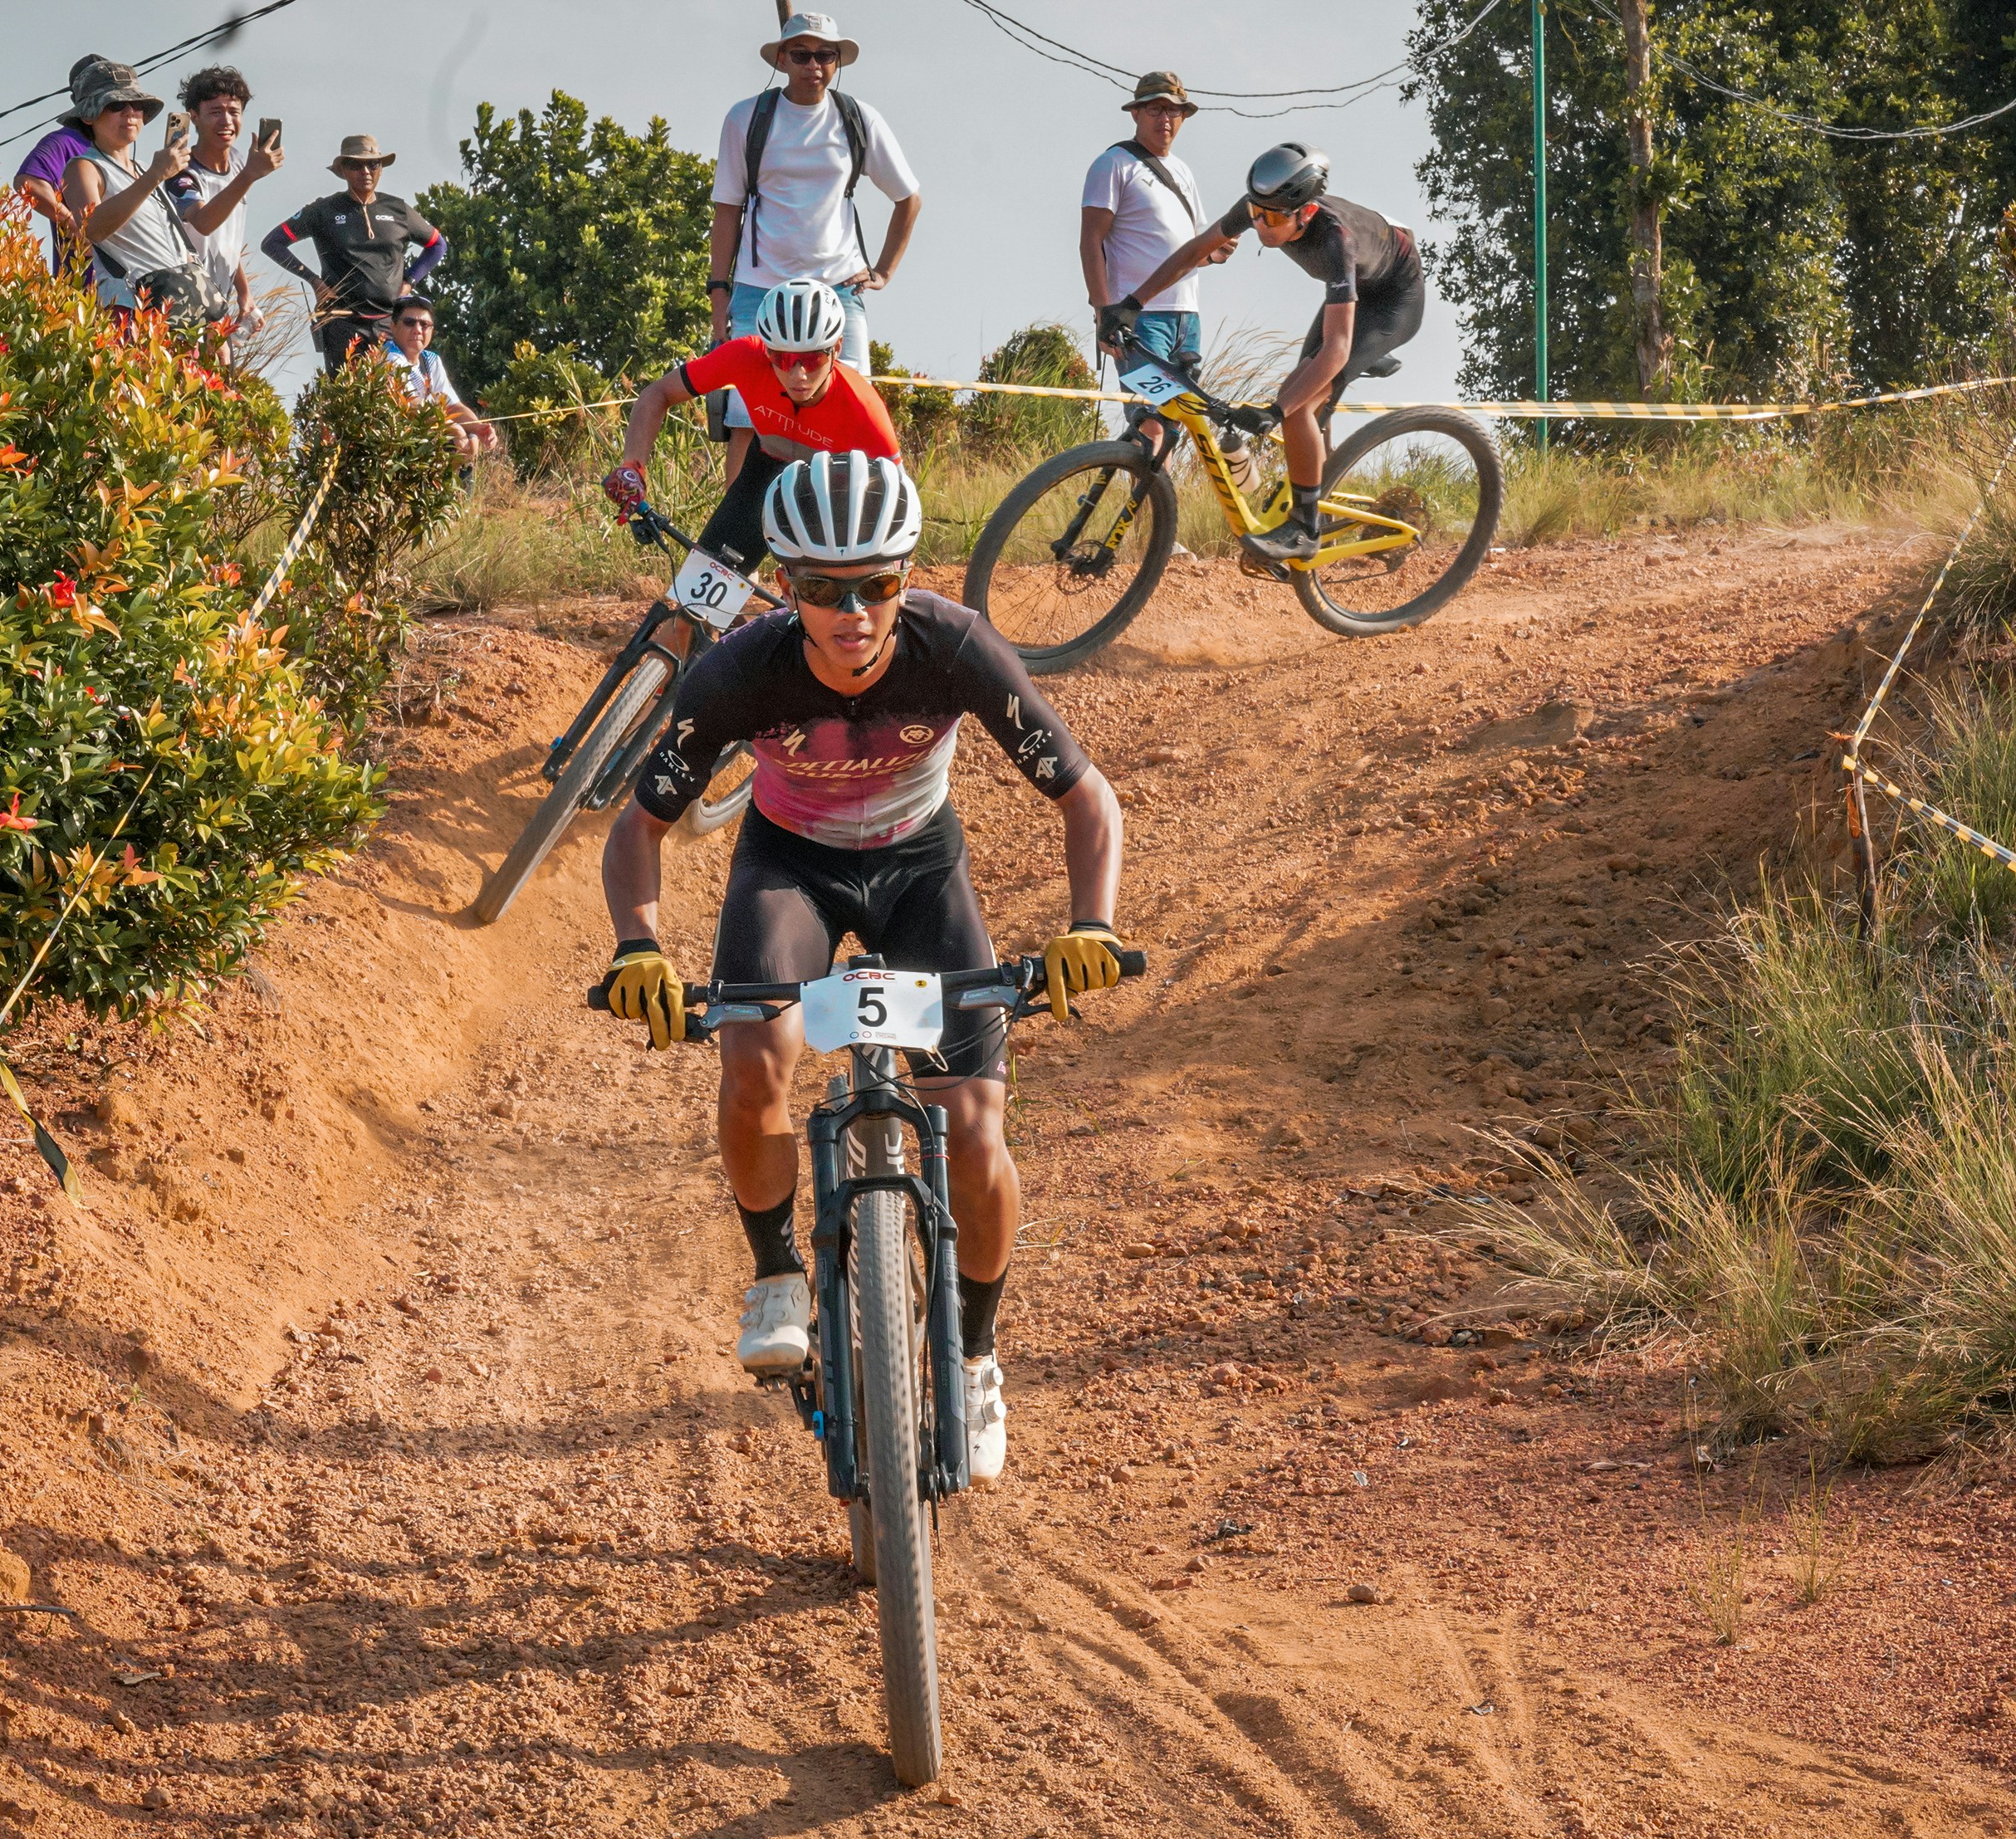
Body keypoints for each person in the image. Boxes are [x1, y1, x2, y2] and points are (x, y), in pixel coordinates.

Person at [598, 452, 1128, 1485]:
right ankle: (776, 1276)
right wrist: (637, 947)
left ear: (908, 576)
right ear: (783, 585)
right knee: (753, 1065)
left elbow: (1086, 797)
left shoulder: (956, 645)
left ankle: (973, 1357)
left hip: (922, 869)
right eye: (818, 589)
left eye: (877, 584)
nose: (851, 612)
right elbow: (640, 825)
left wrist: (1091, 926)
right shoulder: (740, 670)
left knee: (974, 1137)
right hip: (789, 866)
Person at [1105, 143, 1426, 564]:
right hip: (1353, 291)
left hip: (1389, 301)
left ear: (1306, 213)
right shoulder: (1261, 206)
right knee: (1304, 397)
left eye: (1273, 219)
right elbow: (1193, 252)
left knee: (1296, 405)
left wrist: (1275, 412)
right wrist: (1133, 303)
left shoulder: (1336, 242)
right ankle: (1315, 495)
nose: (1260, 226)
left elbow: (1337, 348)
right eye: (1255, 214)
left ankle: (1306, 530)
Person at [709, 13, 919, 465]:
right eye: (801, 55)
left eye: (825, 55)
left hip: (838, 288)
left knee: (852, 418)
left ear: (837, 61)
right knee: (748, 421)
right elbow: (727, 210)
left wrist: (883, 271)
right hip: (759, 288)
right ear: (782, 59)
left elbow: (909, 198)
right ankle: (737, 535)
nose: (814, 66)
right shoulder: (747, 118)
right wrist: (718, 294)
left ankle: (845, 529)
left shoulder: (858, 118)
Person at [602, 278, 898, 573]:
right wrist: (633, 466)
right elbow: (658, 394)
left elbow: (897, 501)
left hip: (831, 495)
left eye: (813, 358)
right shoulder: (746, 356)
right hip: (764, 473)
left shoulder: (864, 408)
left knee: (819, 606)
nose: (798, 375)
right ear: (767, 350)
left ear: (837, 349)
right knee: (693, 610)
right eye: (782, 359)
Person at [1079, 71, 1230, 457]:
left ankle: (1154, 515)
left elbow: (1192, 246)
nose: (1166, 118)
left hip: (1187, 319)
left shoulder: (1183, 171)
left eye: (1175, 111)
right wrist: (1103, 312)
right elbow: (1090, 240)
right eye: (1156, 109)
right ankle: (1137, 514)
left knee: (1172, 432)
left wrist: (1216, 251)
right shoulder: (1112, 164)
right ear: (1136, 114)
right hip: (1138, 318)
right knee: (1150, 426)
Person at [262, 136, 446, 370]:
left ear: (380, 168)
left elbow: (438, 245)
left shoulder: (398, 210)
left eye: (373, 165)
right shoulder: (323, 211)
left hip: (390, 323)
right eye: (355, 165)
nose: (365, 171)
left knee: (397, 396)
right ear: (343, 170)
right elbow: (273, 243)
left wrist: (409, 282)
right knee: (346, 398)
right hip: (342, 322)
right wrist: (314, 281)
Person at [61, 69, 226, 328]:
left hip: (180, 313)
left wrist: (211, 323)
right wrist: (155, 175)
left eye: (136, 105)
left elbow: (177, 250)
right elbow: (92, 228)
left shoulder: (142, 170)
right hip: (130, 311)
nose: (130, 113)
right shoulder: (83, 167)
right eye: (116, 105)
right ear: (88, 116)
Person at [164, 67, 284, 343]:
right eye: (215, 111)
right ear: (193, 116)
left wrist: (244, 294)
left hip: (220, 302)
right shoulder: (179, 169)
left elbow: (224, 239)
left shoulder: (240, 162)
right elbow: (204, 222)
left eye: (234, 111)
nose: (226, 121)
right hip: (181, 300)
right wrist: (249, 175)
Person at [14, 56, 115, 273]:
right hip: (87, 289)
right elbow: (27, 183)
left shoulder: (116, 153)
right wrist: (74, 225)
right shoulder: (66, 142)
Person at [379, 298, 497, 461]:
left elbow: (453, 406)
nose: (417, 330)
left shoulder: (431, 360)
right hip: (393, 441)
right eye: (409, 322)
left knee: (471, 439)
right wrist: (452, 428)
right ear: (393, 326)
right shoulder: (389, 357)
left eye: (424, 325)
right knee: (457, 437)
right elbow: (407, 406)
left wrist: (479, 428)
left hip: (422, 436)